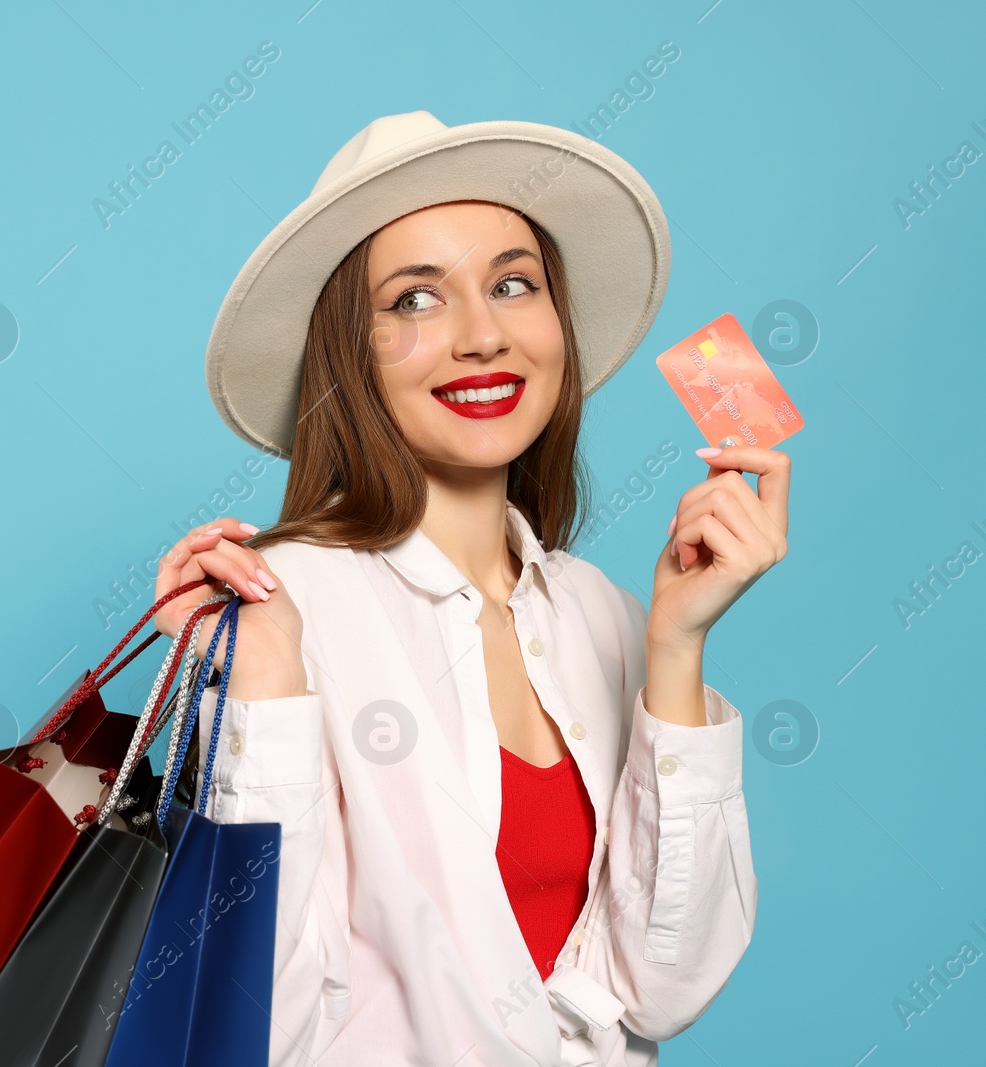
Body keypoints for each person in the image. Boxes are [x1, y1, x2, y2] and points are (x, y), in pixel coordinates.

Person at [150, 113, 789, 1066]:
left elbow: (663, 990)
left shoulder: (599, 612)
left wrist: (675, 646)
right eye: (414, 300)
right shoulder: (285, 607)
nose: (482, 335)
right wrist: (266, 679)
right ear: (348, 353)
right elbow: (246, 1026)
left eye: (513, 283)